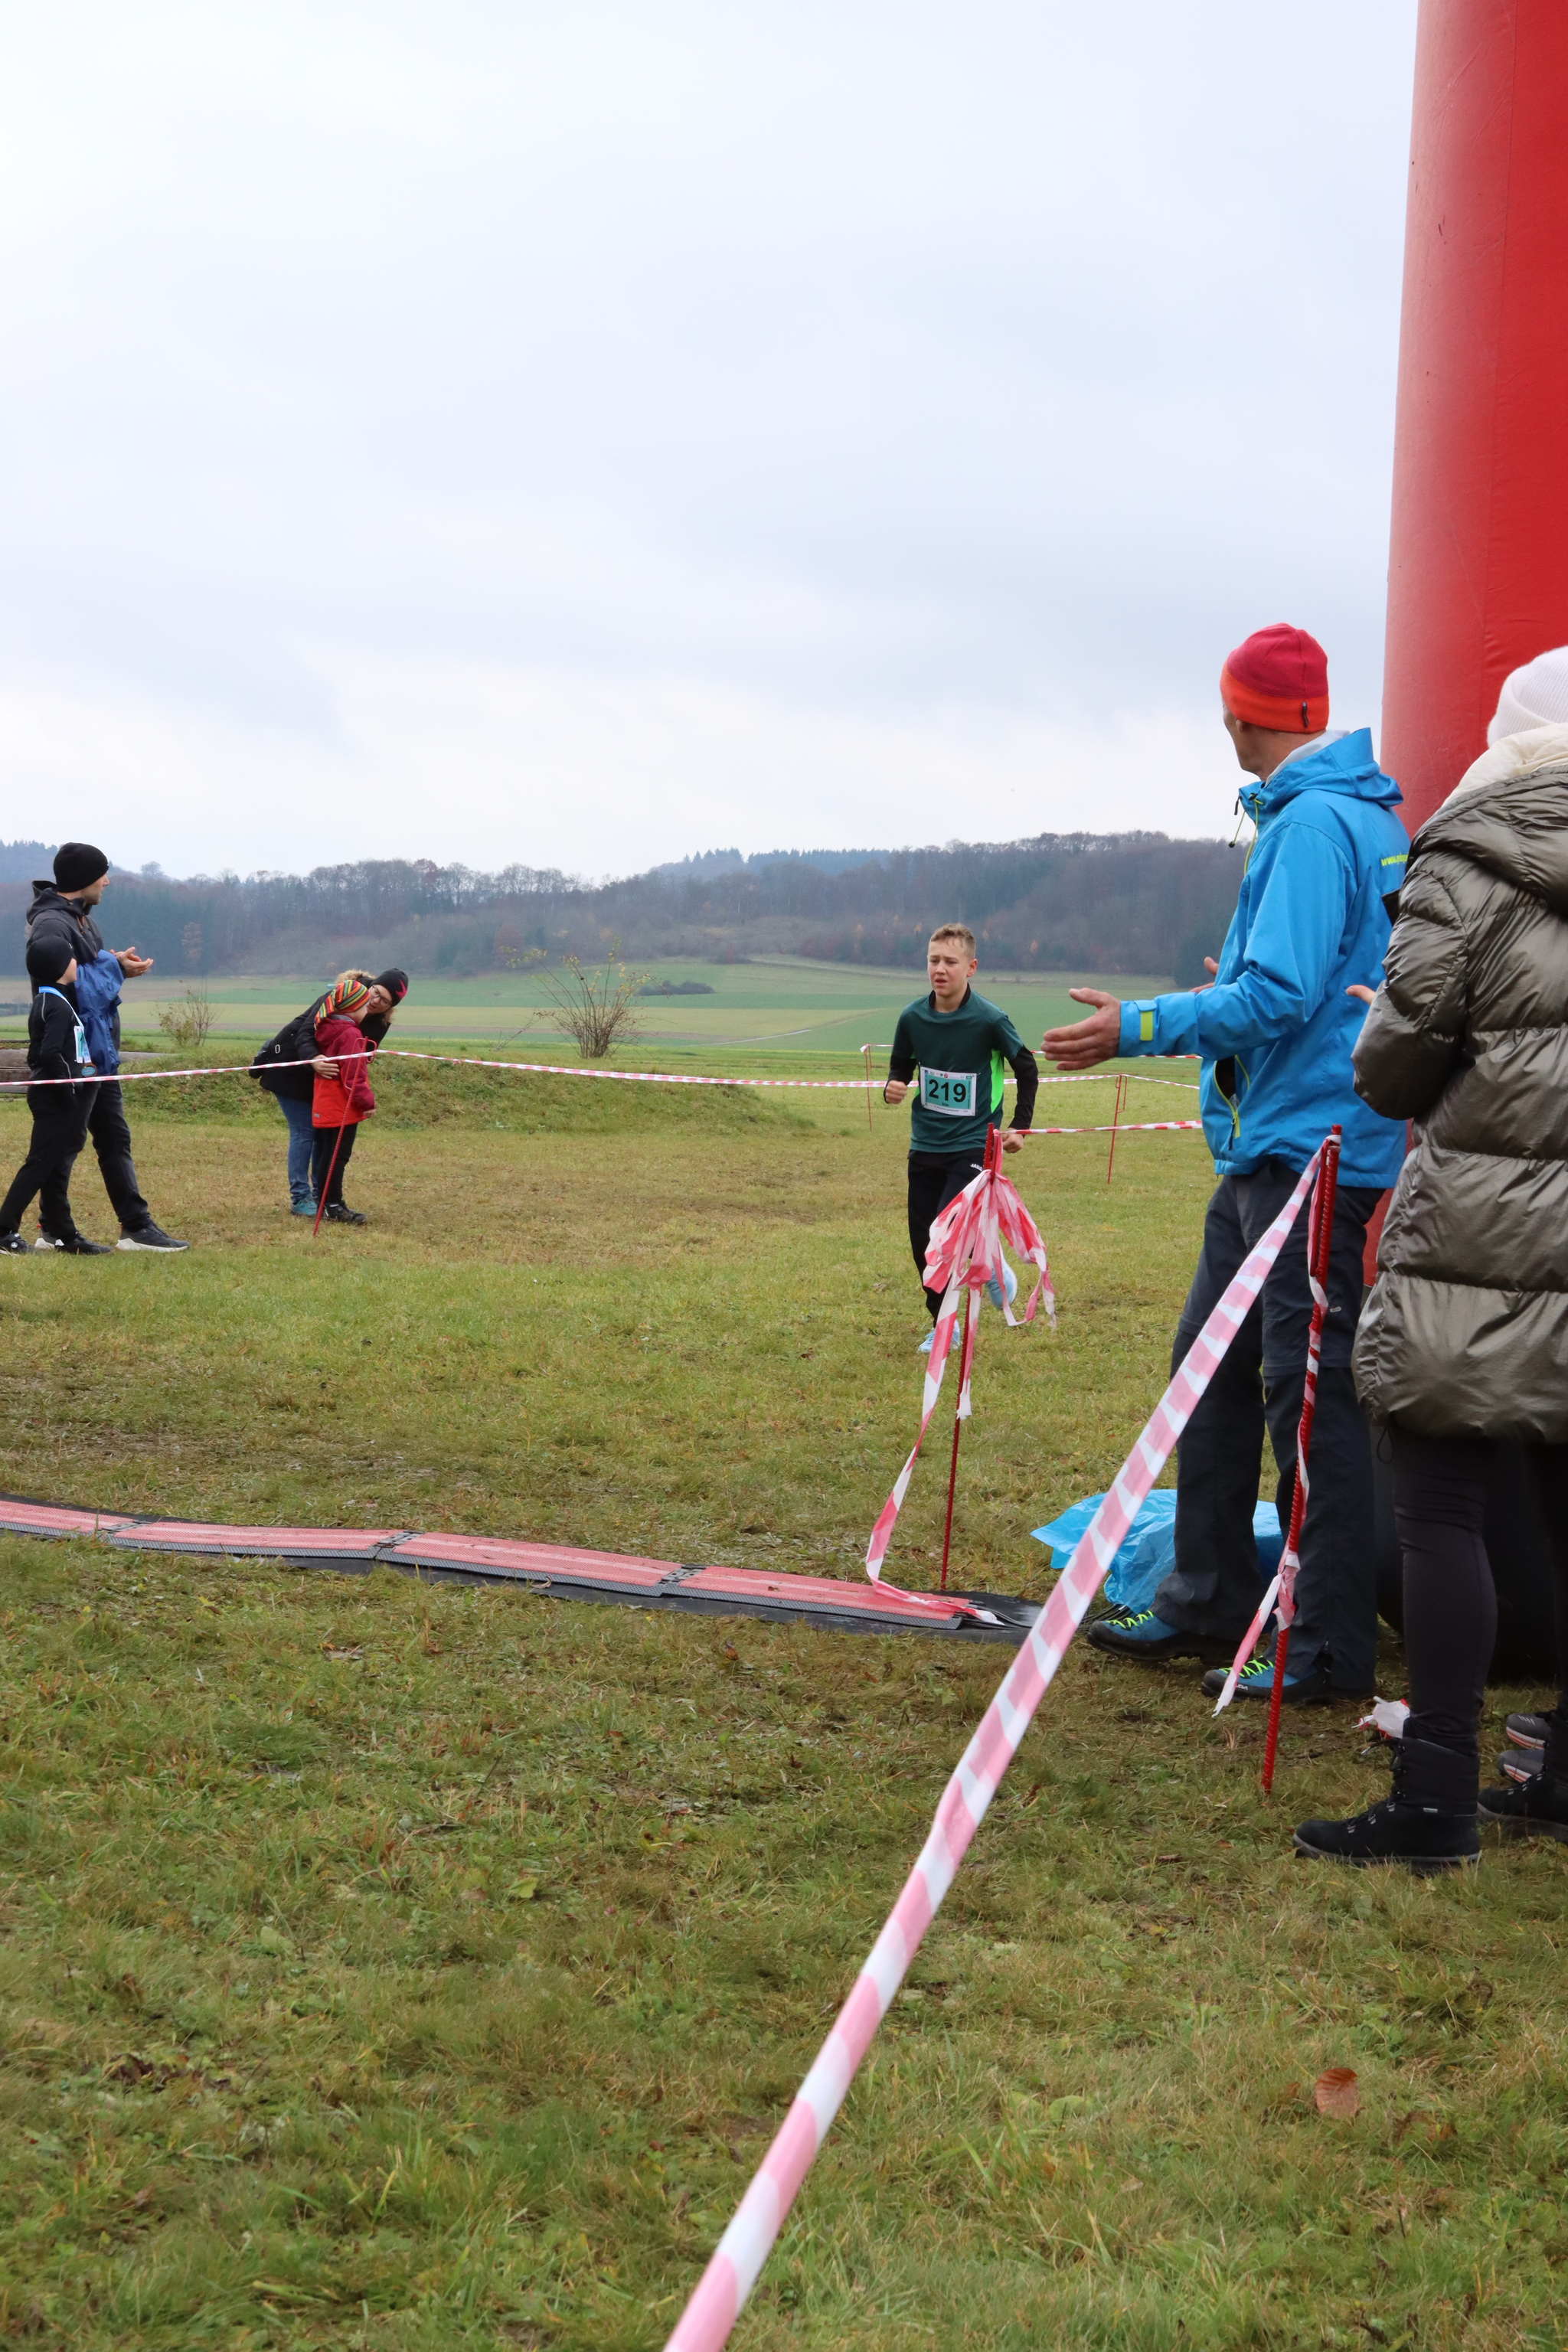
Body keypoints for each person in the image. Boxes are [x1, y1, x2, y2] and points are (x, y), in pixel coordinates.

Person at [1044, 625, 1409, 1703]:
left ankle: (1326, 1644)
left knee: (1307, 1400)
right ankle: (1205, 1596)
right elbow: (1304, 976)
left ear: (1247, 717)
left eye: (1228, 712)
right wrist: (1234, 987)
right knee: (1205, 1371)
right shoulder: (1351, 817)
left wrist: (1141, 1024)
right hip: (1271, 1151)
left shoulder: (1313, 825)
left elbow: (1280, 997)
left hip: (1310, 1158)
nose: (1225, 729)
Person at [1293, 663, 1568, 1869]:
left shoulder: (1465, 861)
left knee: (1442, 1506)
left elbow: (1394, 1069)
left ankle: (1438, 1788)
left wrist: (1387, 1021)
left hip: (1480, 1236)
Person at [24, 843, 188, 1251]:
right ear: (84, 879)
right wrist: (113, 967)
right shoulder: (51, 924)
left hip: (100, 1051)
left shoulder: (82, 920)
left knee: (114, 1138)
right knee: (64, 1143)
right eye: (102, 874)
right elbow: (65, 983)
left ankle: (136, 1227)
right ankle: (54, 1230)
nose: (107, 881)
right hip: (73, 1053)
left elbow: (87, 970)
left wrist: (117, 964)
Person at [884, 925, 1038, 1348]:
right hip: (925, 1143)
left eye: (950, 962)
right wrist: (894, 1085)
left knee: (946, 1229)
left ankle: (954, 1318)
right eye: (933, 960)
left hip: (974, 1143)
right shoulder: (912, 1018)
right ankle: (954, 1309)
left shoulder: (990, 1020)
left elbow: (1027, 1069)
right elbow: (901, 1065)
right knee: (924, 1242)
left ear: (970, 968)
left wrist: (1019, 1126)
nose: (940, 969)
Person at [256, 967, 407, 1215]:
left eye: (385, 1001)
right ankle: (301, 1198)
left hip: (323, 1080)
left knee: (322, 1136)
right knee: (304, 1132)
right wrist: (314, 1059)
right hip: (293, 1066)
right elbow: (306, 1031)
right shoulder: (343, 995)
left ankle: (322, 1196)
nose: (376, 1001)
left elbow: (360, 1056)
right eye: (377, 993)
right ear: (372, 985)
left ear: (391, 1007)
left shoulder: (380, 1022)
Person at [0, 941, 112, 1256]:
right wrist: (68, 1091)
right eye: (72, 958)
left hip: (53, 1095)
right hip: (55, 1098)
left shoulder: (48, 1001)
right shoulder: (58, 1006)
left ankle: (64, 1234)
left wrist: (84, 1074)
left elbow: (47, 1053)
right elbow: (49, 1054)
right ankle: (4, 1230)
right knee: (39, 1165)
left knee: (54, 1166)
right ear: (61, 966)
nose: (76, 962)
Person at [311, 975, 380, 1225]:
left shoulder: (326, 1028)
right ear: (352, 1007)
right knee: (337, 1158)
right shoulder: (350, 1034)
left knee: (326, 1156)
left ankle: (324, 1202)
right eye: (365, 1006)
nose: (367, 1010)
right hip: (341, 1106)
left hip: (325, 1102)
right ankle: (333, 1205)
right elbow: (354, 1075)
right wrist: (367, 1103)